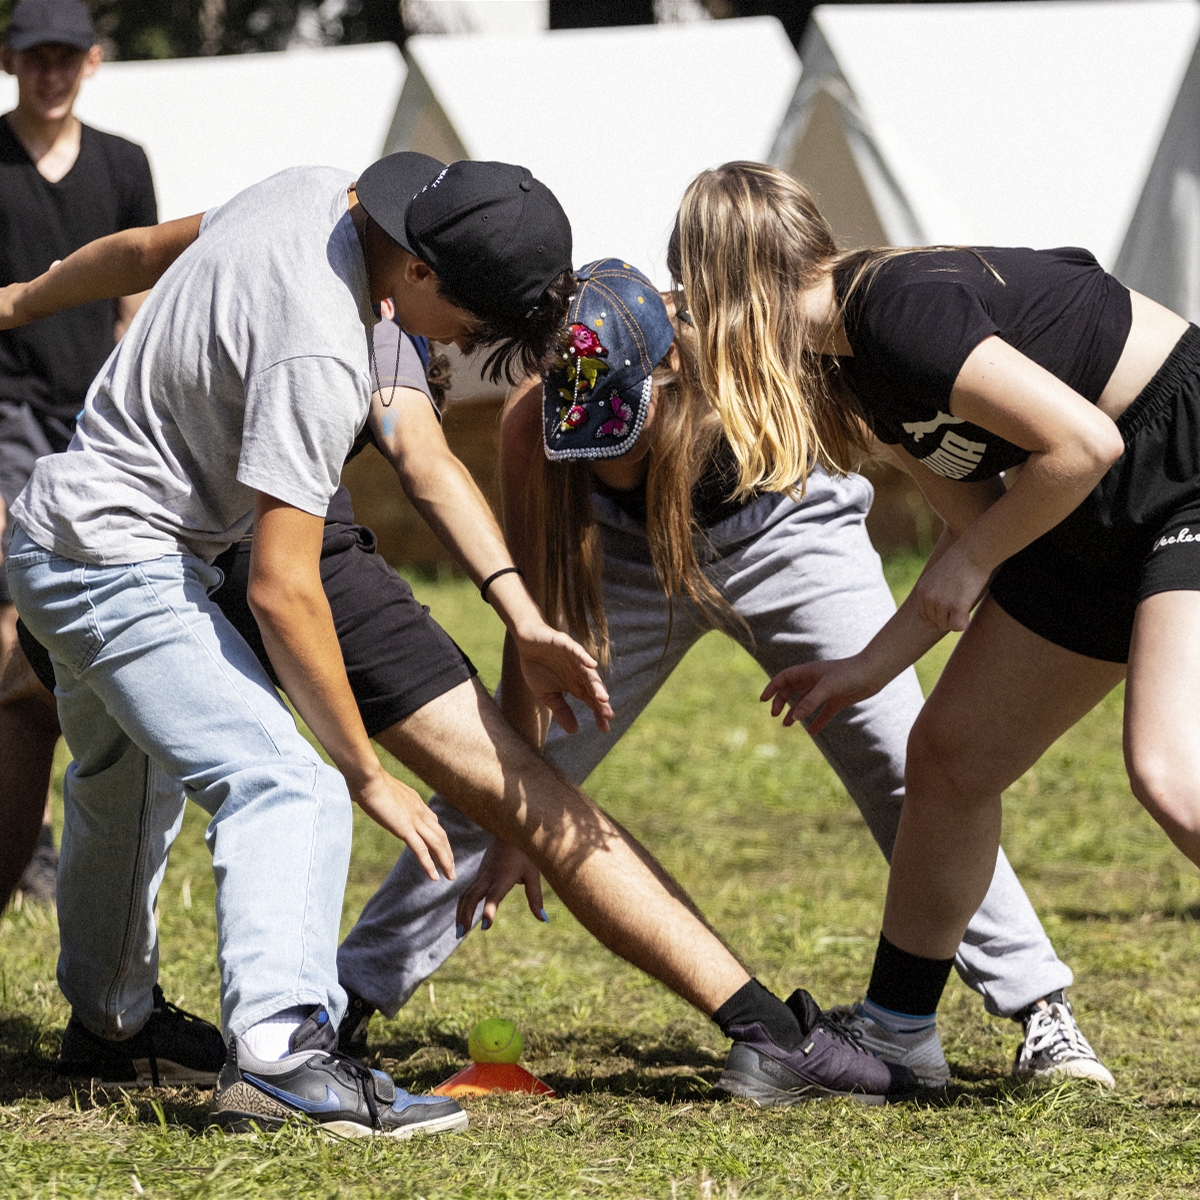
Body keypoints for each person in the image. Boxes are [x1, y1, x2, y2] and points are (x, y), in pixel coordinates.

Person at [0, 161, 913, 1119]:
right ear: (429, 275)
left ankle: (114, 1024)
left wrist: (23, 297)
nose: (464, 356)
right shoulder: (319, 352)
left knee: (135, 775)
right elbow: (282, 585)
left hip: (128, 529)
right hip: (154, 550)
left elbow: (154, 260)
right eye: (475, 332)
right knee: (282, 778)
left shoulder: (323, 205)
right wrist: (362, 772)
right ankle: (279, 1052)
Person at [328, 258, 1114, 1093]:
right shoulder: (533, 423)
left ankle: (1042, 1013)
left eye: (621, 433)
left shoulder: (739, 362)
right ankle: (346, 1000)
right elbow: (538, 626)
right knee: (493, 778)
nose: (606, 455)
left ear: (667, 381)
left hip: (786, 528)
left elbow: (888, 425)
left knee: (908, 767)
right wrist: (517, 807)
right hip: (622, 561)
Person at [672, 160, 1193, 1081]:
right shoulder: (856, 374)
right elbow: (984, 527)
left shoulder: (893, 309)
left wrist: (979, 557)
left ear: (730, 289)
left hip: (1177, 462)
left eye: (689, 295)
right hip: (1082, 507)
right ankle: (897, 1030)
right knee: (949, 756)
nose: (685, 323)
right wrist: (868, 668)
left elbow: (1083, 444)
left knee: (1166, 769)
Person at [0, 0, 157, 905]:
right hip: (7, 411)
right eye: (34, 57)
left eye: (65, 56)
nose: (50, 72)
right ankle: (29, 834)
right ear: (12, 62)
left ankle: (54, 816)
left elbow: (133, 296)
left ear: (92, 62)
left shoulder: (124, 163)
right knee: (12, 597)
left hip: (96, 414)